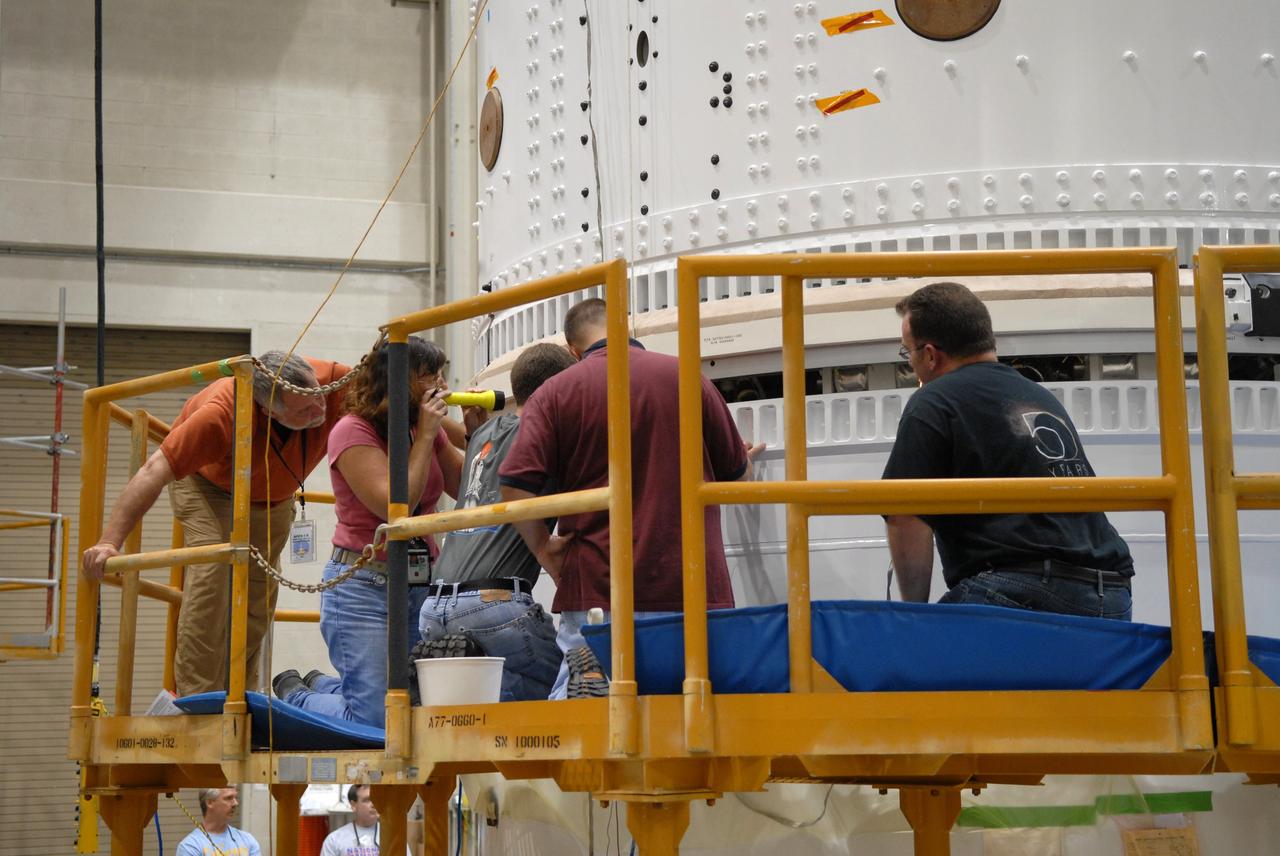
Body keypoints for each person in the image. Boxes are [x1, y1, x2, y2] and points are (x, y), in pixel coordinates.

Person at [499, 298, 763, 698]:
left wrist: (543, 548)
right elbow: (738, 475)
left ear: (572, 349)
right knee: (690, 716)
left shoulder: (555, 392)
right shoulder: (687, 377)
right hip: (688, 585)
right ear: (628, 327)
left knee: (587, 719)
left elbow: (515, 482)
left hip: (597, 587)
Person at [81, 351, 349, 697]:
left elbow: (385, 383)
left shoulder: (332, 380)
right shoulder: (220, 414)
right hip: (207, 487)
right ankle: (200, 698)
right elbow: (152, 471)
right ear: (269, 411)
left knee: (257, 598)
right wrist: (109, 541)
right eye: (304, 410)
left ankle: (239, 696)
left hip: (272, 498)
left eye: (318, 398)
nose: (320, 411)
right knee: (212, 575)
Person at [882, 281, 1134, 619]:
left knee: (910, 660)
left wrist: (914, 615)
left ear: (929, 354)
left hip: (1020, 589)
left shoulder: (933, 400)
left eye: (907, 352)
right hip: (1111, 593)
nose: (910, 363)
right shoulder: (1037, 395)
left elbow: (904, 513)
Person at [274, 337, 463, 726]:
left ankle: (330, 687)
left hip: (420, 584)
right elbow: (396, 506)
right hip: (363, 587)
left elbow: (462, 486)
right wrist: (427, 435)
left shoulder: (421, 426)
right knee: (376, 718)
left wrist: (474, 433)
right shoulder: (350, 430)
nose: (440, 386)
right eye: (430, 377)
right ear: (398, 382)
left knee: (415, 709)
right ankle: (297, 695)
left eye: (441, 376)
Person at [416, 342, 577, 701]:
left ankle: (469, 692)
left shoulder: (483, 434)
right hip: (494, 602)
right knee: (572, 682)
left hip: (434, 604)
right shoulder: (547, 432)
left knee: (490, 691)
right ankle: (484, 695)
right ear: (559, 389)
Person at [320, 785, 409, 856]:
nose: (373, 804)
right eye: (367, 800)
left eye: (376, 799)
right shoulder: (335, 840)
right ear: (353, 805)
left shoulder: (393, 837)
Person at [175, 786, 261, 856]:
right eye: (228, 798)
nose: (235, 803)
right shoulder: (190, 846)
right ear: (210, 803)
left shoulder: (247, 840)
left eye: (235, 797)